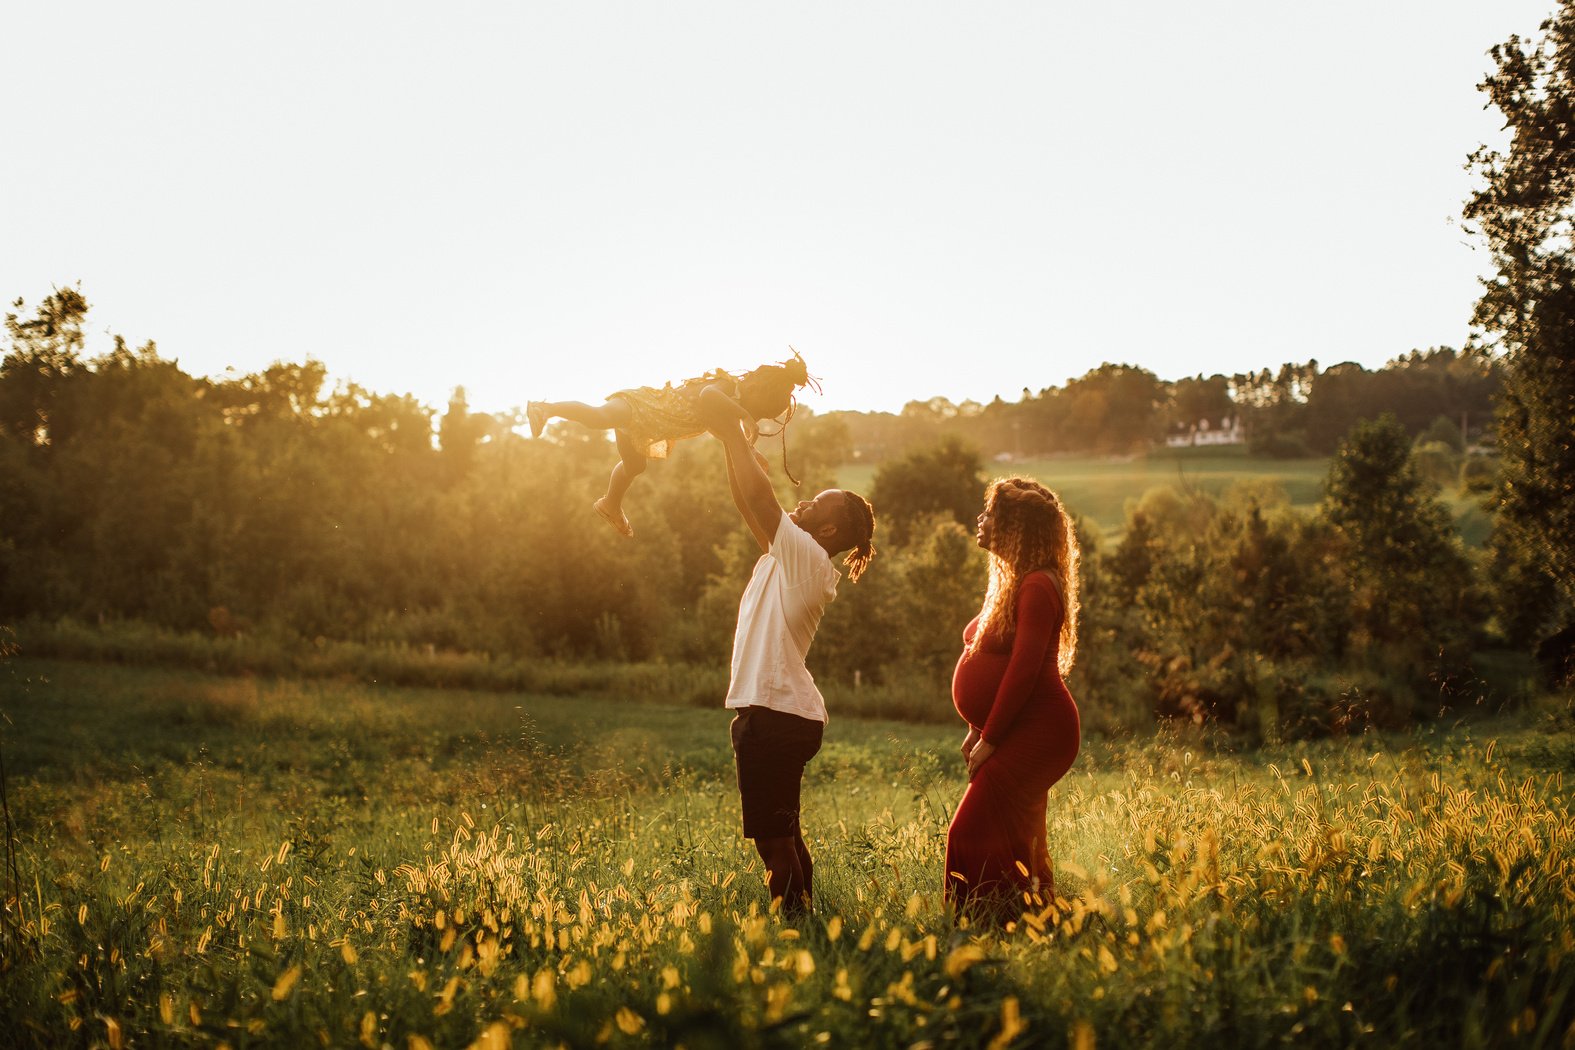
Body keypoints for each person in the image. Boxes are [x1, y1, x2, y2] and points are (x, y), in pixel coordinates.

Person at [701, 386, 875, 919]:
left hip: (776, 718)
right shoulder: (793, 555)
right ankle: (807, 924)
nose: (799, 504)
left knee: (773, 842)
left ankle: (795, 929)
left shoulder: (807, 559)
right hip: (780, 715)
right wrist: (729, 437)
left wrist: (731, 430)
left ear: (827, 530)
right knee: (785, 835)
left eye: (813, 505)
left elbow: (761, 501)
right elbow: (747, 502)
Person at [945, 477, 1081, 924]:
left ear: (1015, 527)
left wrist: (992, 736)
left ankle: (977, 923)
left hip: (1039, 731)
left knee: (969, 831)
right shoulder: (1016, 582)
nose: (981, 521)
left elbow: (1024, 671)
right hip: (1017, 726)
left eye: (991, 515)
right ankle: (1029, 918)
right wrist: (976, 726)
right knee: (1019, 833)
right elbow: (996, 661)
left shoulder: (1038, 587)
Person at [525, 353, 814, 538]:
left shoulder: (729, 405)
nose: (754, 416)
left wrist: (749, 451)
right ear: (754, 390)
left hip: (645, 424)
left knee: (635, 465)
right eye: (758, 410)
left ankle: (610, 504)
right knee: (599, 417)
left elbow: (719, 430)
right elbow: (708, 398)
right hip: (642, 405)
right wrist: (744, 416)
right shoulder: (727, 387)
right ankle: (545, 409)